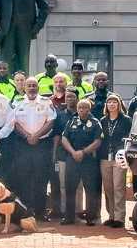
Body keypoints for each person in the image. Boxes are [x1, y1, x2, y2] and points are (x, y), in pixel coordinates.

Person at [11, 77, 56, 217]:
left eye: (34, 85)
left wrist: (36, 135)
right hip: (22, 145)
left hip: (41, 145)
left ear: (38, 88)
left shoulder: (46, 102)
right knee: (23, 177)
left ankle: (40, 212)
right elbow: (14, 122)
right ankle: (25, 211)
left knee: (41, 178)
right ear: (24, 87)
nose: (31, 88)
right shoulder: (16, 102)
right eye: (29, 85)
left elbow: (51, 121)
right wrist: (27, 136)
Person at [61, 99, 103, 225]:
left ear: (89, 109)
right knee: (70, 188)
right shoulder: (72, 121)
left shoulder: (95, 123)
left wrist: (83, 152)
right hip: (72, 158)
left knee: (90, 189)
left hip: (89, 160)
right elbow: (64, 138)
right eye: (80, 108)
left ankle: (90, 217)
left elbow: (98, 141)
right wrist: (73, 152)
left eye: (85, 108)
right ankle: (69, 217)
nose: (82, 110)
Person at [99, 93, 131, 228]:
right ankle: (111, 215)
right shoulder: (102, 121)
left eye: (114, 102)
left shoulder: (126, 120)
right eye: (109, 102)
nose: (112, 104)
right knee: (108, 188)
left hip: (119, 158)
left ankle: (119, 218)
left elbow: (129, 138)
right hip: (105, 157)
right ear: (106, 105)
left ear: (119, 104)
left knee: (118, 186)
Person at [51, 86, 79, 219]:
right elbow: (56, 135)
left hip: (78, 154)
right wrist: (55, 152)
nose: (69, 99)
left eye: (72, 96)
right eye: (67, 96)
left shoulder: (82, 114)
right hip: (63, 154)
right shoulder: (60, 115)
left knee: (78, 185)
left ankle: (78, 212)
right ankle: (64, 211)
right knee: (62, 184)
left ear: (77, 99)